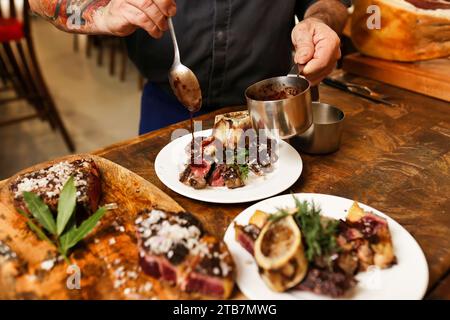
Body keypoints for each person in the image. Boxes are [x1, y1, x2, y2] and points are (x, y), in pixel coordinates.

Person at [29, 0, 349, 134]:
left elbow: (330, 3)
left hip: (275, 113)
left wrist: (319, 21)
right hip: (168, 111)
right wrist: (100, 12)